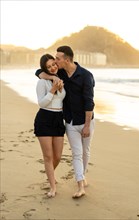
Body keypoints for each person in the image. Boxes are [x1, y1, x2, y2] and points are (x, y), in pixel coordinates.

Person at [35, 46, 95, 198]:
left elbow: (89, 102)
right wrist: (52, 79)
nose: (55, 62)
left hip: (83, 120)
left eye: (57, 59)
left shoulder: (86, 75)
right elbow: (39, 72)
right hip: (67, 121)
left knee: (83, 152)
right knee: (76, 153)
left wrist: (87, 125)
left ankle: (82, 175)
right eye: (53, 61)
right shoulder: (59, 73)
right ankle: (76, 184)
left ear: (66, 60)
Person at [34, 54, 66, 198]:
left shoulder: (60, 77)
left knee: (58, 156)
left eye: (54, 64)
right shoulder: (42, 82)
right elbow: (41, 103)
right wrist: (52, 90)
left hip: (58, 119)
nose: (52, 67)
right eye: (49, 67)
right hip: (45, 119)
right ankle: (52, 187)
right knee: (48, 156)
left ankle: (50, 175)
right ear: (44, 69)